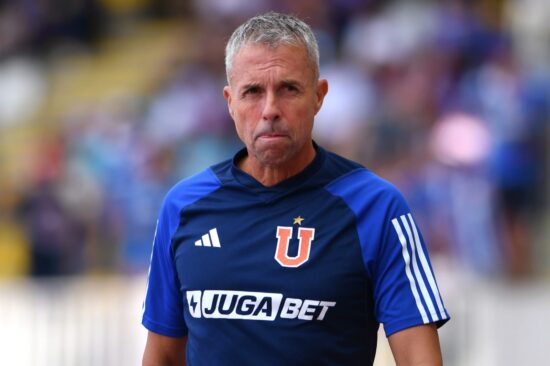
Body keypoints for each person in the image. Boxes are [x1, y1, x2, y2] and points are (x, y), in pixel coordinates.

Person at [142, 12, 449, 366]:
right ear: (230, 102)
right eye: (253, 92)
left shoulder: (377, 207)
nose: (270, 109)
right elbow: (162, 356)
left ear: (319, 96)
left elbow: (419, 359)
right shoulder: (183, 206)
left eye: (288, 89)